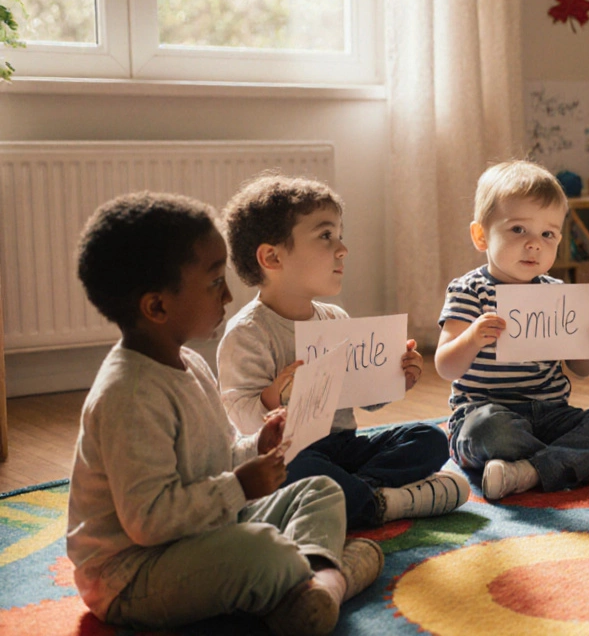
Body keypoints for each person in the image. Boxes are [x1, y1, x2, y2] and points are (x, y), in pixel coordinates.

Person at [67, 192, 382, 636]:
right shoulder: (129, 395)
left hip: (198, 532)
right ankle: (330, 580)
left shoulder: (189, 363)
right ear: (157, 306)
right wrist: (239, 486)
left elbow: (210, 458)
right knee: (259, 552)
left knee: (320, 491)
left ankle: (308, 587)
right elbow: (150, 522)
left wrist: (256, 447)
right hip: (134, 573)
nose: (231, 294)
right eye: (215, 281)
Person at [219, 174, 466, 529]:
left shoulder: (334, 318)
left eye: (339, 235)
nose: (342, 249)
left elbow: (363, 396)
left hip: (345, 447)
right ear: (272, 257)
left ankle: (360, 495)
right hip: (291, 456)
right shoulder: (248, 333)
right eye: (325, 236)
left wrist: (397, 377)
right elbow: (241, 418)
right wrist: (276, 394)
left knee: (430, 439)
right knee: (298, 471)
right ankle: (381, 502)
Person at [435, 160, 589, 501]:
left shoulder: (556, 291)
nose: (534, 244)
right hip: (487, 413)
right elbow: (446, 366)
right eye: (519, 230)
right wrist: (472, 338)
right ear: (481, 236)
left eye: (547, 234)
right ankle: (588, 465)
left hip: (551, 414)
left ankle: (528, 470)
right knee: (488, 431)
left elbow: (580, 370)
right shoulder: (468, 290)